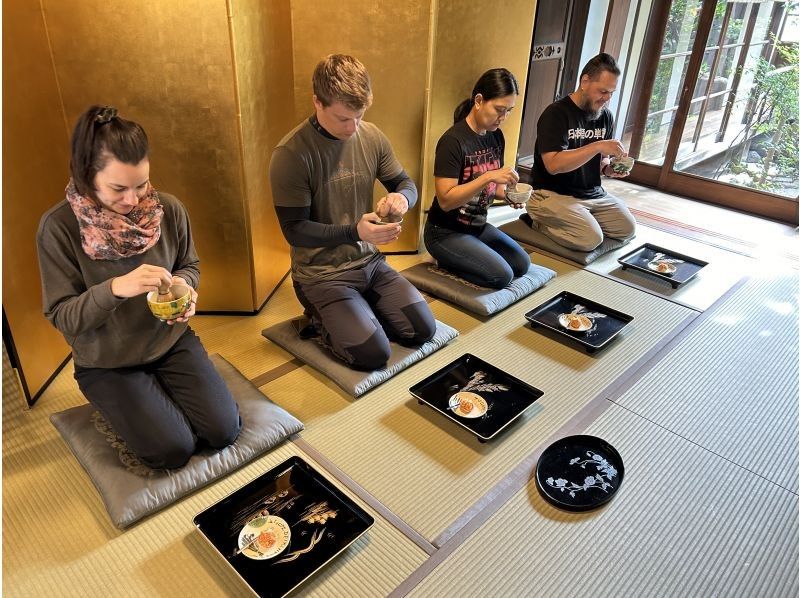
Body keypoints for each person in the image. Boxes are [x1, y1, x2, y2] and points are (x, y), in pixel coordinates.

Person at [37, 105, 241, 470]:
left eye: (141, 184)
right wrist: (114, 288)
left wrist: (186, 287)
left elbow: (189, 265)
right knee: (172, 451)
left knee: (224, 431)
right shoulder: (58, 229)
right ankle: (123, 410)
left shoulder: (169, 209)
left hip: (170, 341)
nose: (133, 200)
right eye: (118, 188)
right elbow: (62, 316)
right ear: (87, 175)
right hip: (107, 362)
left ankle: (155, 402)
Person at [269, 54, 436, 371]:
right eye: (344, 118)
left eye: (359, 116)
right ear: (317, 102)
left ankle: (362, 311)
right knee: (374, 354)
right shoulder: (291, 154)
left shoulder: (371, 136)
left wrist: (402, 199)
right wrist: (354, 232)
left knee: (422, 330)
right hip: (321, 276)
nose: (353, 126)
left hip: (369, 263)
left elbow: (404, 182)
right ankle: (320, 320)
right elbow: (294, 230)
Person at [424, 68, 531, 289]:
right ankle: (445, 262)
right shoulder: (453, 141)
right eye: (499, 109)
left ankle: (468, 256)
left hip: (477, 227)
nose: (503, 118)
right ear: (479, 100)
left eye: (509, 111)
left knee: (522, 264)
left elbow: (493, 190)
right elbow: (445, 200)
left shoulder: (496, 136)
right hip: (444, 232)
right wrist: (489, 176)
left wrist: (509, 195)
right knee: (501, 277)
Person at [526, 53, 636, 252]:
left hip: (592, 195)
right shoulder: (556, 114)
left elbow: (601, 162)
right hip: (552, 193)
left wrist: (609, 169)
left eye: (611, 92)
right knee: (589, 239)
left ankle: (580, 220)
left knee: (627, 229)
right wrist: (596, 146)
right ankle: (538, 220)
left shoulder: (605, 117)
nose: (607, 99)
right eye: (603, 91)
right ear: (585, 81)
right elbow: (553, 165)